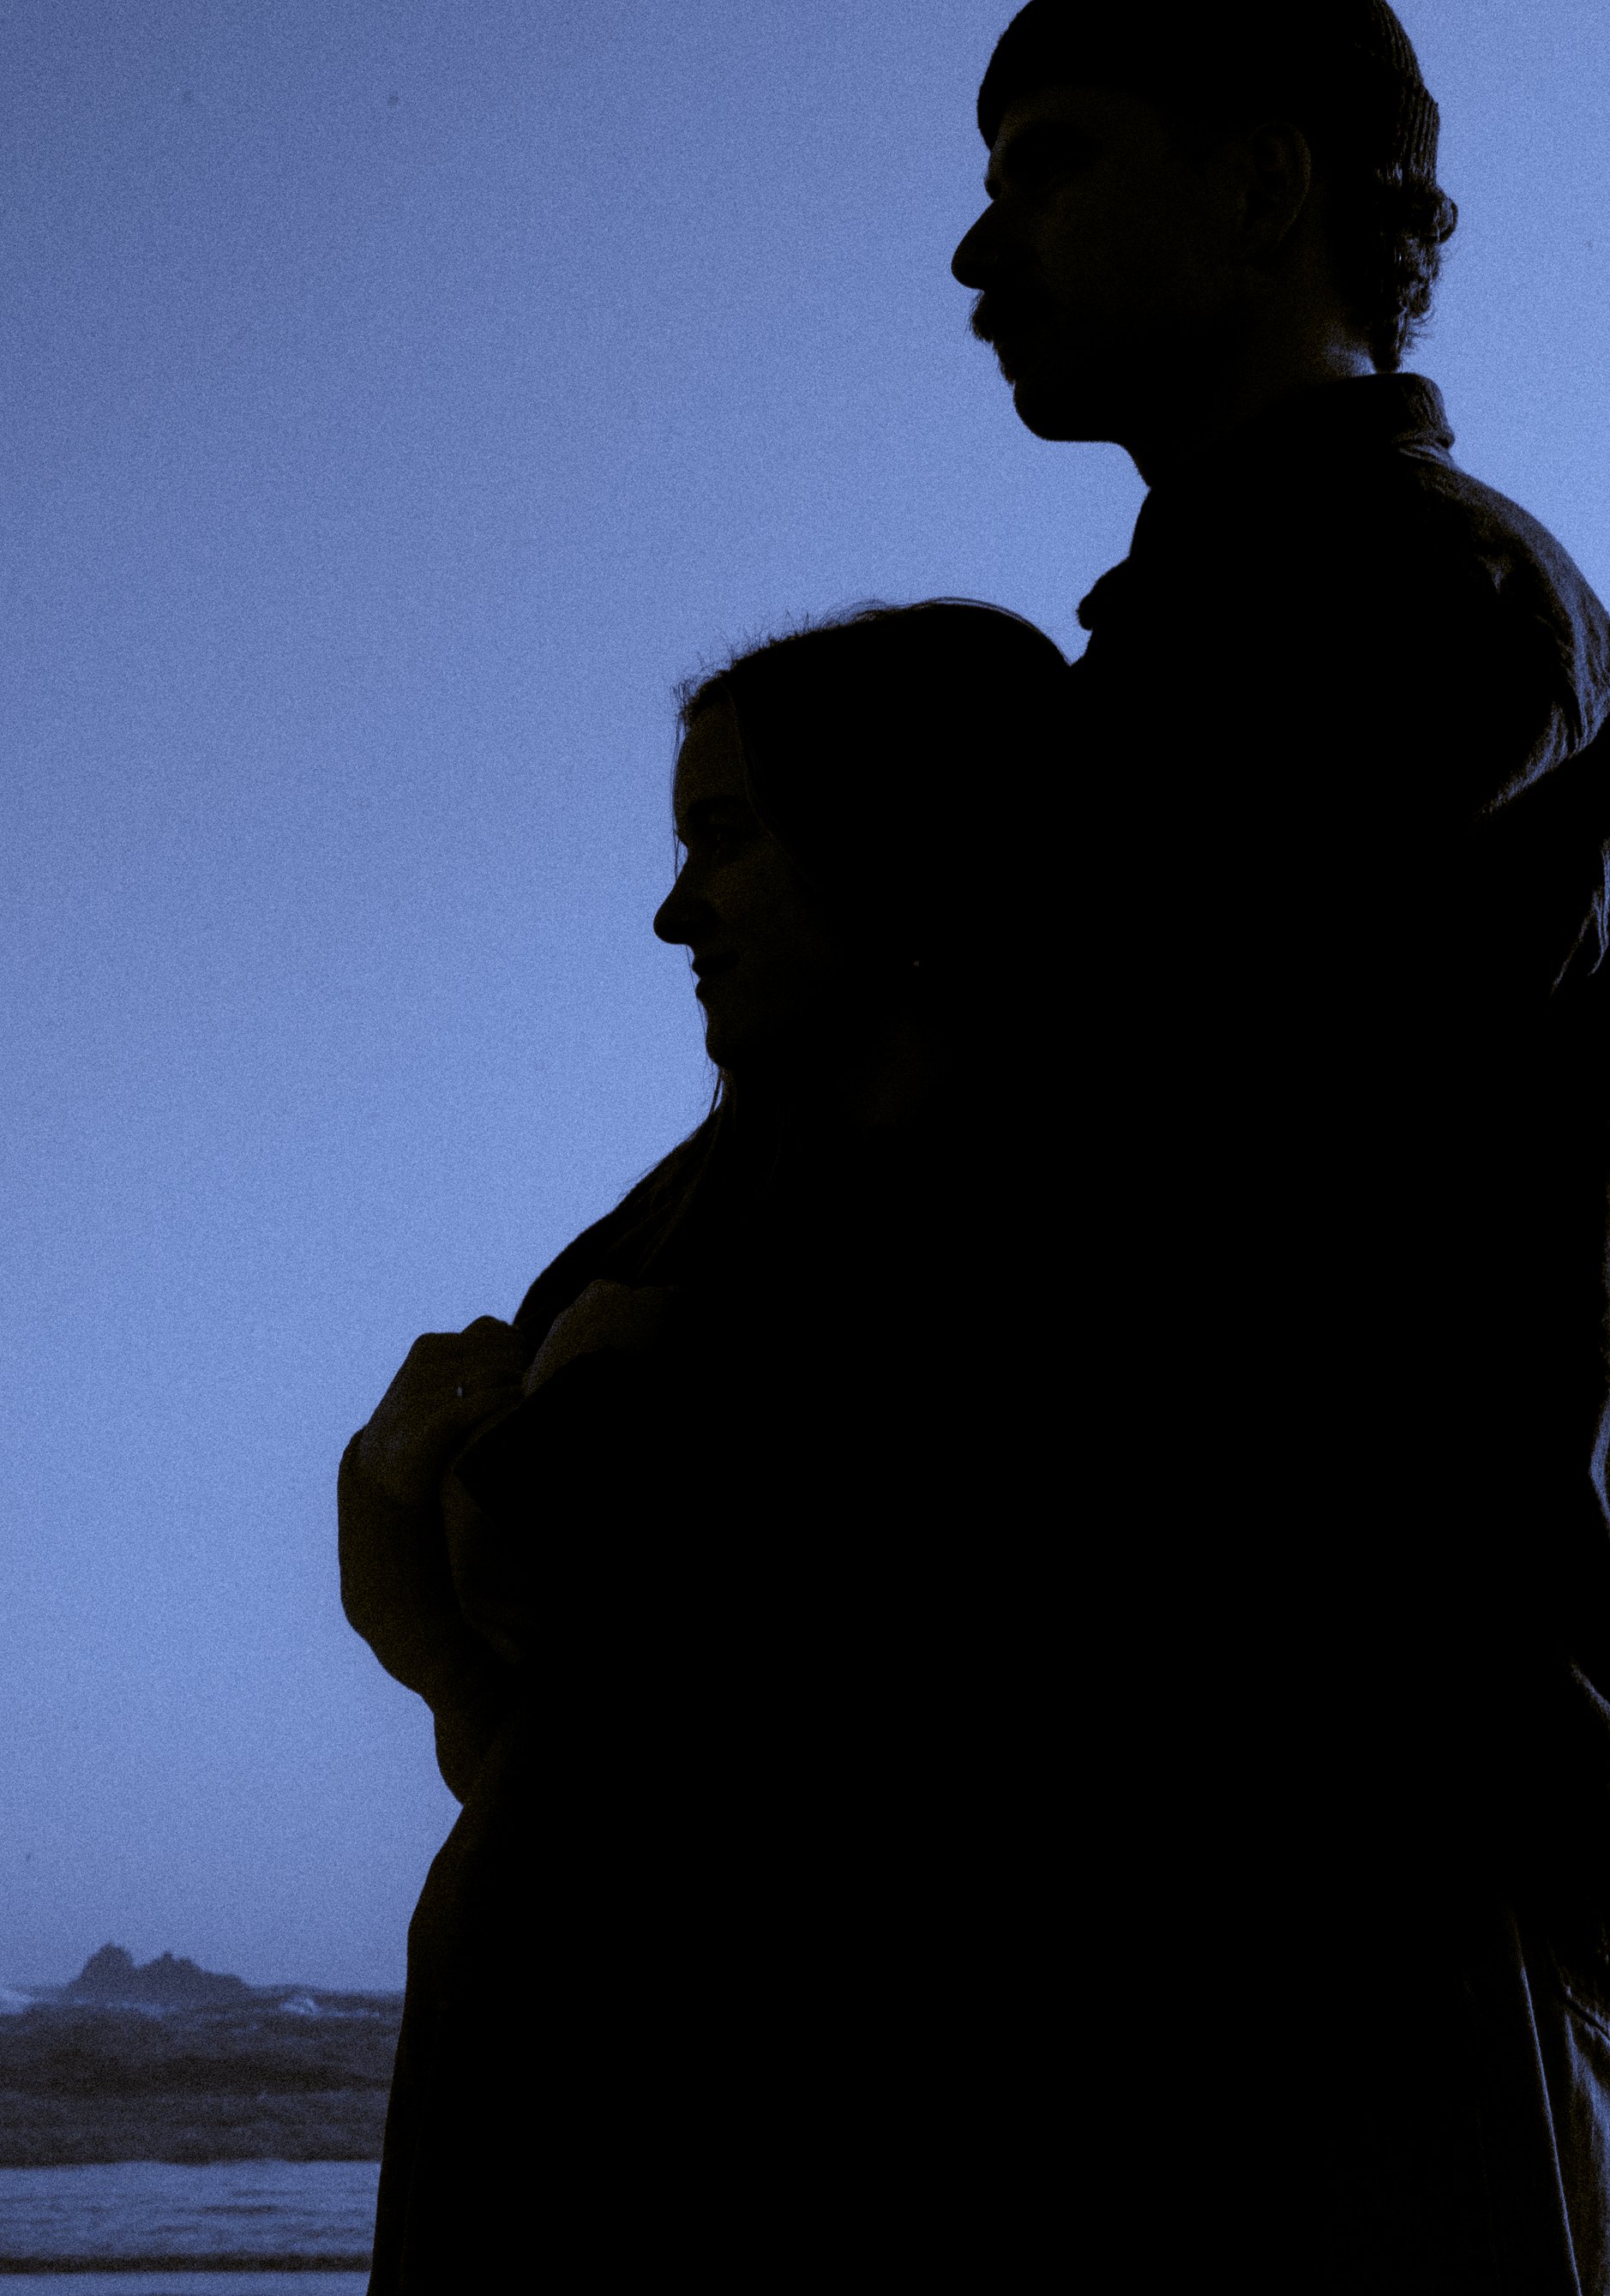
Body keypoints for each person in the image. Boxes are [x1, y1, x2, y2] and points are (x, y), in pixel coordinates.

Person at [950, 0, 1610, 2293]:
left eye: (1048, 164)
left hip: (1372, 1812)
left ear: (1266, 183)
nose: (978, 242)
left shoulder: (1416, 603)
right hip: (1238, 1812)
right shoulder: (1219, 625)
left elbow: (1093, 1124)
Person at [339, 600, 1068, 2289]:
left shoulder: (1047, 1227)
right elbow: (526, 1671)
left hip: (791, 2121)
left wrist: (499, 1465)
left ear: (898, 834)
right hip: (563, 2080)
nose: (675, 912)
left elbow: (640, 1608)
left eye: (725, 841)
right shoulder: (693, 1207)